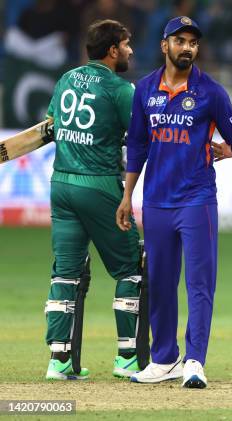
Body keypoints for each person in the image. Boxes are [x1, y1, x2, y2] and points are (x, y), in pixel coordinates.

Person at [116, 16, 232, 389]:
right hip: (155, 201)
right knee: (161, 283)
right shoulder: (144, 90)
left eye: (193, 42)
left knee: (199, 284)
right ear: (164, 45)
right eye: (180, 40)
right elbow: (137, 144)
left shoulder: (211, 92)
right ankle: (163, 359)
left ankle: (194, 361)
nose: (187, 47)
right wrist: (127, 195)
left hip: (197, 199)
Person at [44, 19, 144, 380]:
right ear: (113, 49)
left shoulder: (66, 79)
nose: (131, 50)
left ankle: (58, 361)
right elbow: (140, 137)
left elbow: (51, 125)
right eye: (127, 43)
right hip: (99, 185)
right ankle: (127, 358)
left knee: (65, 273)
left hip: (60, 184)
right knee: (130, 267)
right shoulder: (120, 89)